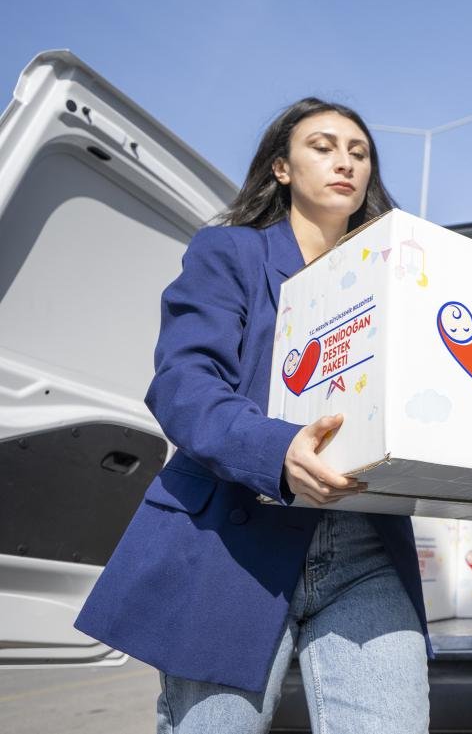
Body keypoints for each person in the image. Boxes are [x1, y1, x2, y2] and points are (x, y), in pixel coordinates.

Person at [75, 98, 432, 733]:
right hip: (230, 542)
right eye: (323, 147)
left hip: (364, 548)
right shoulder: (229, 253)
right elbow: (184, 384)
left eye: (359, 152)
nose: (345, 161)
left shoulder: (394, 278)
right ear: (282, 168)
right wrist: (277, 451)